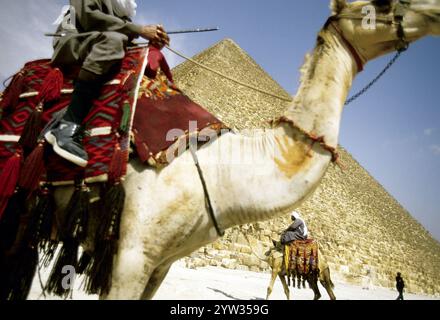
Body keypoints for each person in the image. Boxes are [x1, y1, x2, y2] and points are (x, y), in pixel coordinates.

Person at [45, 0, 170, 167]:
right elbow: (90, 18)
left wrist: (152, 41)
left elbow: (121, 32)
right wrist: (140, 30)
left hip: (98, 40)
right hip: (74, 39)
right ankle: (67, 125)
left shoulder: (123, 8)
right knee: (113, 41)